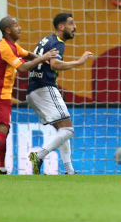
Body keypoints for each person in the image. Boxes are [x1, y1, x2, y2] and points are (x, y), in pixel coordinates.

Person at [0, 16, 56, 175]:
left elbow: (27, 54)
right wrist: (43, 57)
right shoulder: (7, 49)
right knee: (1, 134)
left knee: (1, 132)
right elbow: (22, 68)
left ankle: (1, 169)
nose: (20, 28)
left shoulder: (7, 44)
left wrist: (43, 61)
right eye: (16, 25)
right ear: (8, 30)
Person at [27, 13, 94, 175]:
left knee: (63, 130)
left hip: (33, 90)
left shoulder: (46, 40)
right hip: (44, 88)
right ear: (61, 27)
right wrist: (79, 62)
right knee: (68, 130)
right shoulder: (58, 41)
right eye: (71, 23)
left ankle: (69, 170)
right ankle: (39, 155)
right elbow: (54, 64)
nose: (75, 27)